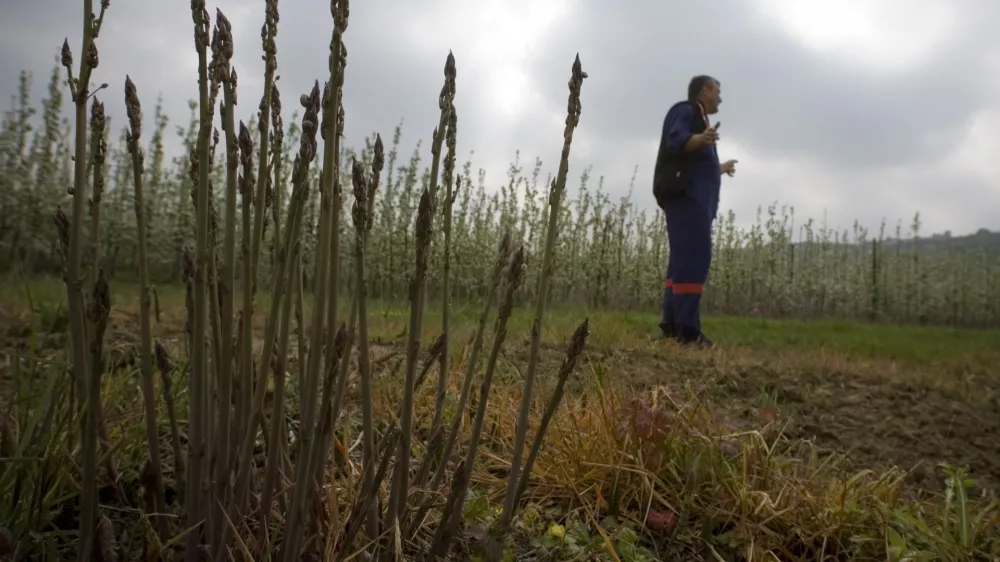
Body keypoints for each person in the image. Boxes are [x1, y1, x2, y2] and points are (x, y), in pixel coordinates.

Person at [651, 75, 737, 348]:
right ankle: (688, 333)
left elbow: (695, 162)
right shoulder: (686, 110)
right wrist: (701, 139)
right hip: (687, 199)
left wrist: (719, 167)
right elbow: (676, 141)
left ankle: (673, 324)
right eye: (717, 91)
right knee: (694, 260)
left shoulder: (701, 120)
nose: (720, 98)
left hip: (693, 201)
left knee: (681, 261)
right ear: (705, 90)